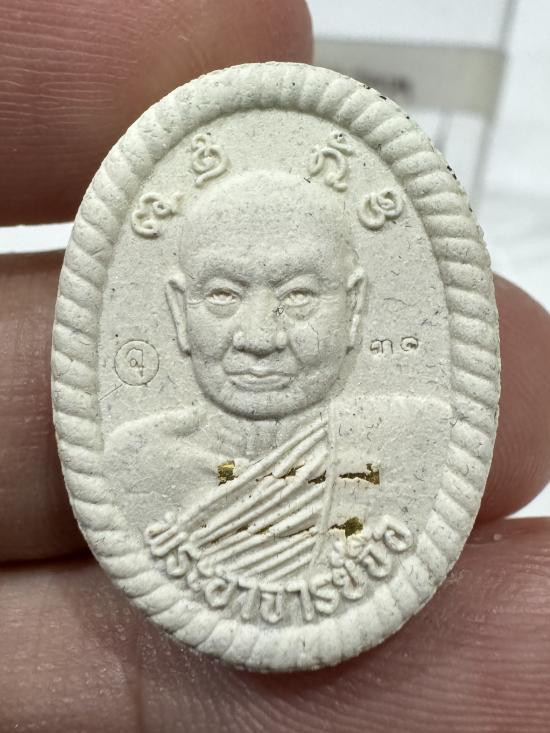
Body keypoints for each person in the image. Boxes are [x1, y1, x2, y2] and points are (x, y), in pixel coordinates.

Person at [1, 1, 550, 730]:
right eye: (223, 296)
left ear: (354, 307)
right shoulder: (135, 460)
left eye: (297, 297)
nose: (258, 338)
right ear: (178, 312)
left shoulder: (415, 443)